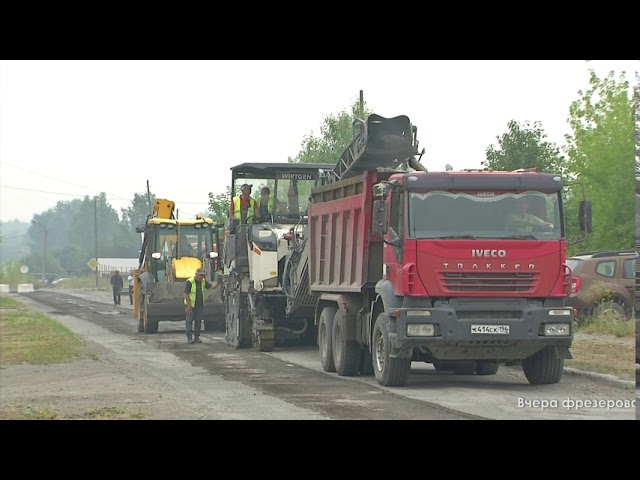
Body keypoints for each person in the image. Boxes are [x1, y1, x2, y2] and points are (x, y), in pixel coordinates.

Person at [184, 267, 219, 344]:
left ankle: (197, 337)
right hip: (190, 305)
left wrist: (218, 282)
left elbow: (212, 287)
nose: (202, 277)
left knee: (198, 321)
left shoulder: (203, 281)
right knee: (189, 321)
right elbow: (186, 294)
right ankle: (189, 338)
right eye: (201, 275)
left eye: (203, 275)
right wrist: (189, 306)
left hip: (199, 305)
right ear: (196, 274)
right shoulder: (190, 282)